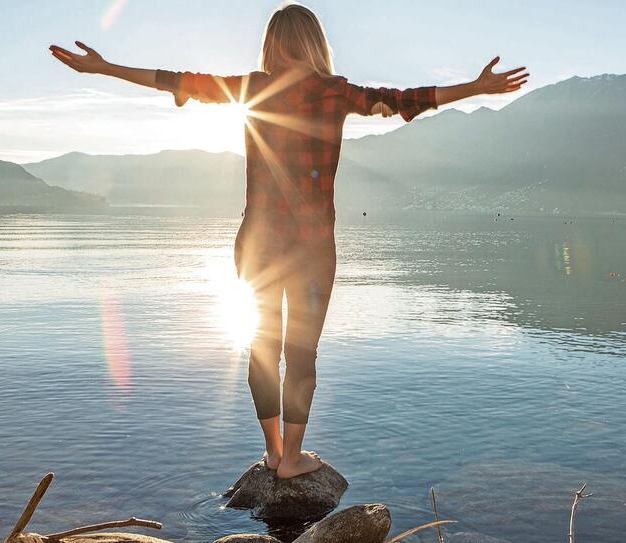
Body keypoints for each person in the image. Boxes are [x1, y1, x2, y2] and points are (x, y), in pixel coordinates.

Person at [51, 2, 528, 479]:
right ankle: (294, 459)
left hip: (256, 241)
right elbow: (405, 100)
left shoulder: (253, 89)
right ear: (317, 43)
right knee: (302, 353)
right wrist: (475, 87)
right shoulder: (336, 93)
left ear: (271, 44)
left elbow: (176, 80)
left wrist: (105, 67)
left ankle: (275, 452)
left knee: (262, 345)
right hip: (313, 246)